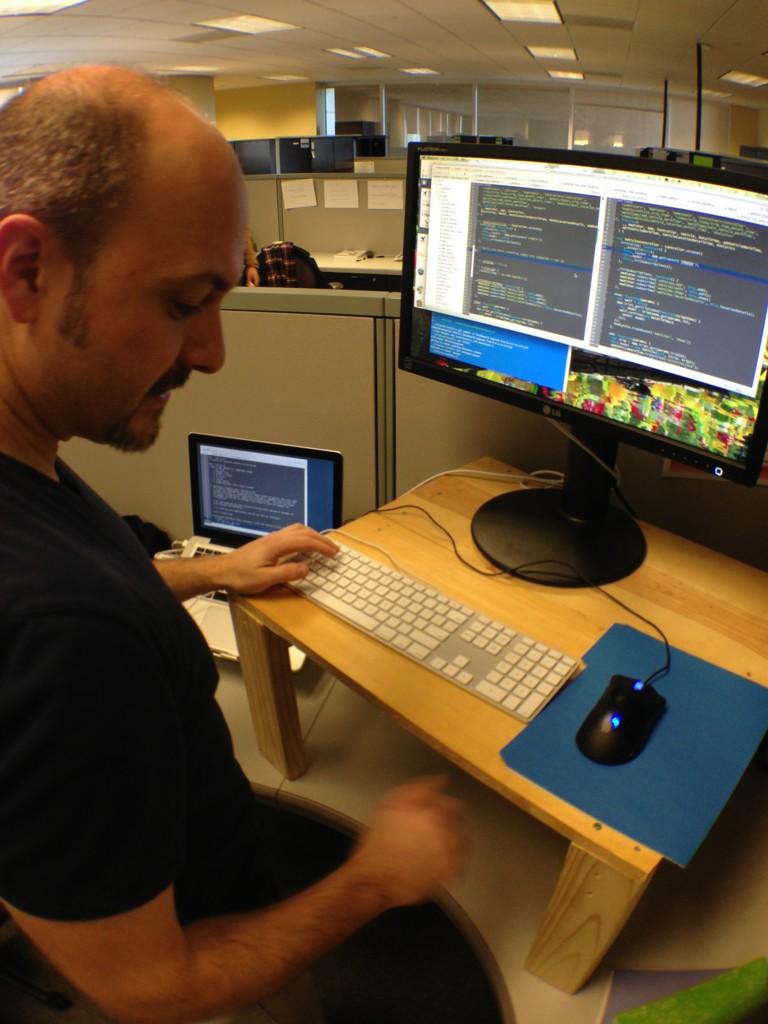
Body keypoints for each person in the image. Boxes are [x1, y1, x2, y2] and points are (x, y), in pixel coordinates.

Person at [0, 66, 466, 1024]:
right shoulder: (67, 635)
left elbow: (67, 572)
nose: (212, 351)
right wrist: (376, 879)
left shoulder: (27, 453)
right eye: (184, 301)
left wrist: (212, 570)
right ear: (26, 271)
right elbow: (150, 986)